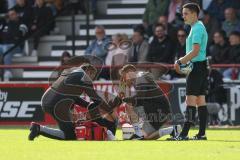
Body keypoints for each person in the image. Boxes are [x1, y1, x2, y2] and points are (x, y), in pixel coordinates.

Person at [28, 61, 118, 141]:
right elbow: (95, 98)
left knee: (69, 130)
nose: (92, 80)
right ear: (88, 71)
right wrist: (110, 110)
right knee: (70, 135)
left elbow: (70, 95)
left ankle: (38, 129)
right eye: (93, 76)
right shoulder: (84, 77)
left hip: (46, 101)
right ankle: (38, 129)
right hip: (58, 105)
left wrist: (87, 104)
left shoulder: (70, 71)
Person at [118, 64, 181, 140]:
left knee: (128, 104)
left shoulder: (140, 78)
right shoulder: (138, 78)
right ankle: (172, 130)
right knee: (146, 138)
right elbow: (141, 100)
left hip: (158, 111)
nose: (124, 79)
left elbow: (139, 99)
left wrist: (123, 99)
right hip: (159, 111)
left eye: (124, 76)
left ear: (129, 72)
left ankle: (138, 133)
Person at [174, 3, 208, 140]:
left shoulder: (197, 28)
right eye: (183, 14)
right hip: (201, 66)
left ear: (194, 14)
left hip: (196, 66)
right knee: (200, 100)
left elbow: (195, 51)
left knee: (190, 100)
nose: (184, 16)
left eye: (186, 13)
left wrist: (180, 62)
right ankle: (201, 133)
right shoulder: (197, 27)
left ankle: (184, 134)